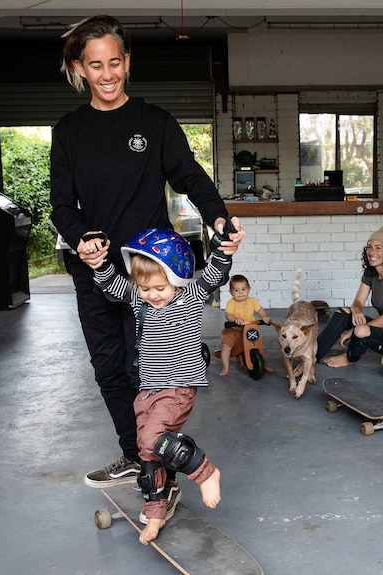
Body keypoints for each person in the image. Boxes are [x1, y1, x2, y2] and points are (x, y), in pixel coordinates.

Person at [49, 14, 245, 488]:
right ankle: (135, 455)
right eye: (95, 65)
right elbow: (60, 204)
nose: (107, 74)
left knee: (153, 369)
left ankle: (159, 462)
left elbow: (190, 177)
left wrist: (219, 218)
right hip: (95, 270)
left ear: (127, 62)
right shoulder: (69, 130)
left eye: (115, 62)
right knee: (110, 367)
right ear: (80, 68)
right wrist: (81, 241)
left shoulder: (153, 122)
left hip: (150, 273)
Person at [89, 228, 227, 544]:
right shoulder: (141, 299)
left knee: (153, 439)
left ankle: (206, 473)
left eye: (160, 287)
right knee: (148, 455)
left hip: (178, 388)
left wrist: (224, 247)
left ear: (177, 278)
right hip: (148, 391)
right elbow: (113, 285)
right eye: (145, 287)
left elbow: (214, 273)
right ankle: (155, 514)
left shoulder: (190, 297)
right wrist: (99, 265)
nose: (152, 294)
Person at [317, 225, 383, 367]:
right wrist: (357, 310)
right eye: (369, 247)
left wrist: (352, 331)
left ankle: (350, 358)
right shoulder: (371, 274)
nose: (372, 252)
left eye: (378, 247)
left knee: (361, 330)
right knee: (344, 312)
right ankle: (313, 356)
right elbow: (358, 301)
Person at [219, 274, 273, 376]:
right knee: (227, 347)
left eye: (243, 289)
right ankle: (225, 367)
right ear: (231, 292)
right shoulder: (231, 303)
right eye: (236, 290)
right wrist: (235, 319)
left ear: (249, 289)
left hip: (249, 329)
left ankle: (263, 364)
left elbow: (259, 309)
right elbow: (228, 314)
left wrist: (264, 317)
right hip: (234, 329)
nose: (240, 293)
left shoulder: (252, 301)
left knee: (258, 345)